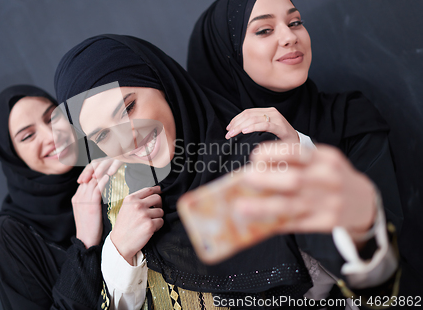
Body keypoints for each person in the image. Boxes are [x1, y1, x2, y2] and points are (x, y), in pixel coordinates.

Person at [54, 34, 399, 309]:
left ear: (162, 83)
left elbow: (360, 272)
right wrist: (119, 253)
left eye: (128, 107)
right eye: (101, 136)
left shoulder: (253, 160)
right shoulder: (116, 200)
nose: (126, 136)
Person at [0, 85, 114, 309]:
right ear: (12, 155)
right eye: (28, 136)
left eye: (53, 118)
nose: (51, 135)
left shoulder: (112, 168)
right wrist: (84, 245)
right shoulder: (9, 234)